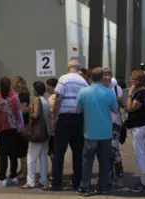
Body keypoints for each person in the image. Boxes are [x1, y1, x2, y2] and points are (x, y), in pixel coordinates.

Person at [76, 68, 118, 195]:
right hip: (106, 132)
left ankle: (86, 186)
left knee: (87, 161)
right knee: (104, 161)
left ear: (90, 77)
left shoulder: (83, 92)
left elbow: (78, 110)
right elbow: (115, 110)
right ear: (102, 78)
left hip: (90, 132)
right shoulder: (109, 92)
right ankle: (103, 186)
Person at [50, 59, 88, 191]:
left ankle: (57, 183)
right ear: (78, 68)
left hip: (64, 119)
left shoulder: (64, 79)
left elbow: (58, 98)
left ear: (69, 67)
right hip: (78, 119)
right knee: (78, 152)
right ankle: (77, 182)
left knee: (59, 152)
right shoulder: (83, 82)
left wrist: (54, 115)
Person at [0, 76, 22, 187]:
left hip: (1, 129)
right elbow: (18, 112)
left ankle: (2, 178)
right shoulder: (15, 97)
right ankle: (13, 176)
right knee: (13, 153)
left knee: (3, 154)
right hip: (13, 128)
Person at [126, 69, 145, 193]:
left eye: (132, 78)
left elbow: (131, 108)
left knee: (140, 152)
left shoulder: (141, 94)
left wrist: (130, 94)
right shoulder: (143, 92)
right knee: (141, 152)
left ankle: (144, 181)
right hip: (141, 124)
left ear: (137, 81)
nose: (130, 80)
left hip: (139, 125)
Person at [24, 81, 51, 189]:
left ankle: (30, 182)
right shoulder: (46, 101)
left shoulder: (36, 99)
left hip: (37, 133)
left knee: (31, 157)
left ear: (35, 90)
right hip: (45, 133)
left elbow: (35, 114)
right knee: (43, 157)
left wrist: (30, 114)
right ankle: (43, 180)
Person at [103, 68, 125, 187]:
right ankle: (109, 176)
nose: (107, 77)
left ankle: (119, 176)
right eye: (104, 75)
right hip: (102, 123)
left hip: (115, 122)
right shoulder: (99, 88)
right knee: (105, 151)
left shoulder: (117, 88)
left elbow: (118, 106)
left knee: (114, 149)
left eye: (108, 75)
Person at [13, 75, 31, 180]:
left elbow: (23, 110)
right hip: (21, 123)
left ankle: (25, 171)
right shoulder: (24, 94)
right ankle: (22, 169)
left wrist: (15, 109)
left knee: (22, 148)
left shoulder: (23, 95)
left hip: (22, 124)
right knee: (20, 148)